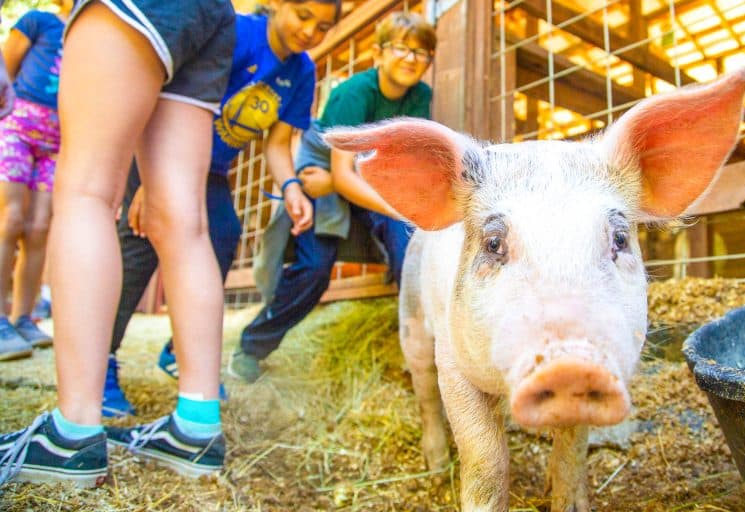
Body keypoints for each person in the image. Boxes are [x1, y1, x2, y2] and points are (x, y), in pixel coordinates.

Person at [0, 0, 236, 487]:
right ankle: (196, 426)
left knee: (85, 192)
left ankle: (74, 432)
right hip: (212, 12)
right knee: (184, 219)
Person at [101, 0, 341, 418]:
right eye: (303, 17)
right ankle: (100, 362)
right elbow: (164, 94)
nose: (310, 32)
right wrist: (152, 178)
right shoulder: (235, 33)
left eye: (322, 27)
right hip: (159, 146)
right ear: (280, 5)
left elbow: (278, 144)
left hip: (208, 167)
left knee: (223, 235)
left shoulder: (301, 71)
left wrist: (291, 188)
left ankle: (183, 352)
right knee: (138, 249)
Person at [229, 11, 437, 383]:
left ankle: (420, 350)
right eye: (402, 49)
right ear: (378, 54)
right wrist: (393, 205)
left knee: (411, 246)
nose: (411, 59)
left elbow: (404, 162)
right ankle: (251, 348)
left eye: (422, 53)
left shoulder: (420, 97)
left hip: (372, 174)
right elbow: (341, 174)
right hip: (327, 166)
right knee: (314, 267)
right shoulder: (353, 93)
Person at [0, 0, 72, 362]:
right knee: (10, 220)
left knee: (40, 226)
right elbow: (6, 67)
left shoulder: (92, 34)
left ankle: (23, 318)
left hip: (56, 142)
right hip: (16, 128)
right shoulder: (38, 21)